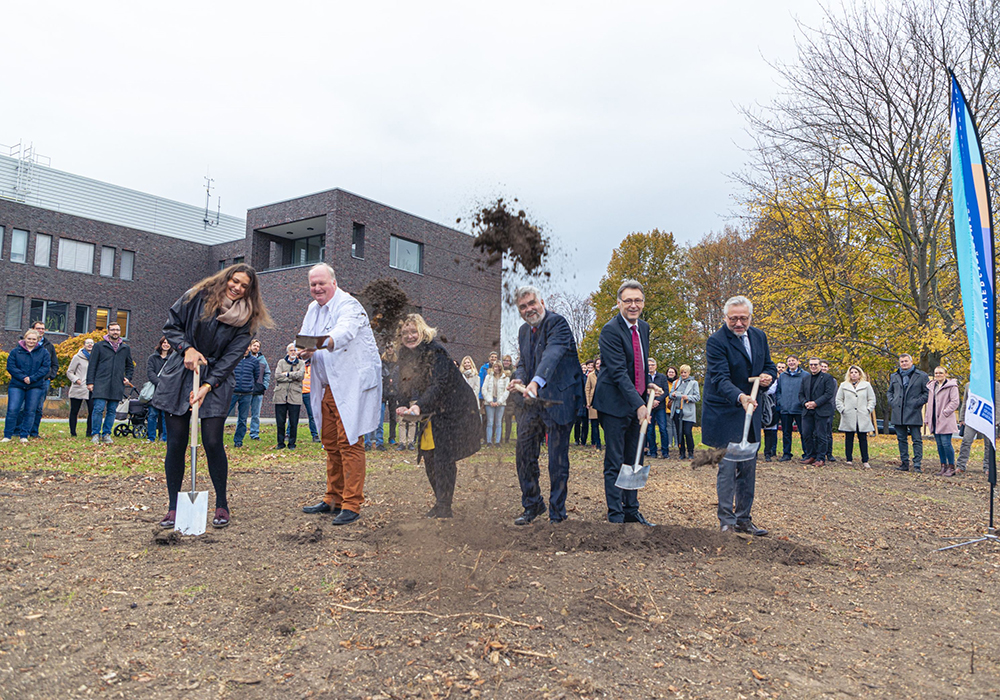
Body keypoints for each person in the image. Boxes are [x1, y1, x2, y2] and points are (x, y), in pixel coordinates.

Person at [150, 263, 272, 529]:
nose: (237, 288)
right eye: (235, 281)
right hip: (181, 372)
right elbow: (172, 326)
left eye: (244, 286)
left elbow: (232, 357)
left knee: (213, 440)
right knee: (176, 442)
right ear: (226, 278)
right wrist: (187, 349)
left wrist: (208, 385)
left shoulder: (248, 317)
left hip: (217, 378)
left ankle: (222, 504)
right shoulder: (197, 296)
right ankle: (173, 507)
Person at [298, 263, 382, 525]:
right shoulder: (314, 308)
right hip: (326, 386)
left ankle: (352, 503)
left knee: (350, 443)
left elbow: (343, 334)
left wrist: (311, 345)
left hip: (351, 384)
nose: (317, 288)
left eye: (321, 283)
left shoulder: (350, 306)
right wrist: (301, 347)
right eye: (313, 284)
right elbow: (304, 338)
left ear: (333, 282)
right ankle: (332, 497)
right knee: (331, 444)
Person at [701, 295, 776, 536]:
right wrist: (741, 397)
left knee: (748, 468)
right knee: (727, 467)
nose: (739, 323)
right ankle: (726, 520)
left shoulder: (759, 336)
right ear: (725, 318)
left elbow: (769, 365)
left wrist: (767, 377)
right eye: (733, 319)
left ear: (750, 318)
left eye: (743, 318)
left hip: (751, 411)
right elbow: (720, 378)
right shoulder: (716, 342)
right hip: (725, 411)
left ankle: (744, 518)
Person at [510, 285, 583, 525]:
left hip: (559, 400)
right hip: (532, 403)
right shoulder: (523, 331)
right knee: (523, 453)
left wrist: (535, 381)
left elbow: (552, 354)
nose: (529, 309)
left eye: (532, 303)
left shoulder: (557, 323)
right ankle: (533, 504)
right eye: (523, 306)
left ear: (541, 301)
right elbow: (524, 361)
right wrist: (519, 377)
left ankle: (557, 512)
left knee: (557, 460)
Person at [395, 314, 481, 517]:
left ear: (423, 331)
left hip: (455, 409)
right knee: (428, 455)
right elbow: (404, 380)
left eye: (413, 331)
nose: (409, 336)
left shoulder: (436, 353)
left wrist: (419, 406)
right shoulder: (406, 355)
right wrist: (402, 403)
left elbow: (439, 384)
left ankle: (444, 506)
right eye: (405, 332)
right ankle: (441, 502)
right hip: (433, 410)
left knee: (443, 456)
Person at [592, 280, 662, 525]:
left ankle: (631, 510)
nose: (633, 305)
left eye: (638, 300)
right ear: (619, 303)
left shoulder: (643, 327)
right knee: (615, 459)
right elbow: (619, 372)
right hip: (613, 404)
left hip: (635, 400)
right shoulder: (610, 330)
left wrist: (647, 386)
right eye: (628, 300)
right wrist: (639, 404)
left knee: (635, 459)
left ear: (643, 303)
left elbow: (638, 365)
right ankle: (615, 514)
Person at [86, 322, 135, 444]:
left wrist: (128, 377)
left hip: (116, 384)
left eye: (117, 330)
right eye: (112, 330)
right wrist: (90, 382)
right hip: (100, 383)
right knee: (98, 409)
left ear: (120, 332)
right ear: (108, 331)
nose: (115, 332)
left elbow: (130, 366)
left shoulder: (125, 348)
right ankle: (95, 434)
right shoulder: (99, 346)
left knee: (112, 410)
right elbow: (92, 365)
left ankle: (106, 434)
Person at [3, 329, 51, 444]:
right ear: (25, 338)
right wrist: (23, 377)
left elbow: (45, 368)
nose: (31, 341)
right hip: (17, 385)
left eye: (34, 339)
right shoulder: (15, 351)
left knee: (30, 410)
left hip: (35, 386)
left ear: (38, 340)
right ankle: (7, 435)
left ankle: (24, 435)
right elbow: (11, 367)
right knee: (13, 410)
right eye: (29, 338)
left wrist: (32, 378)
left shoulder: (44, 352)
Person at [887, 353, 929, 473]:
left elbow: (926, 393)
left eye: (906, 361)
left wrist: (916, 403)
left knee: (916, 439)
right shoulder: (894, 376)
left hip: (914, 411)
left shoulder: (921, 376)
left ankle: (917, 464)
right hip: (898, 412)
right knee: (901, 439)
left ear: (911, 362)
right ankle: (904, 462)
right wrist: (892, 402)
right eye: (902, 362)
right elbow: (890, 391)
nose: (904, 363)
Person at [20, 321, 58, 439]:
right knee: (22, 406)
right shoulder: (23, 344)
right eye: (38, 328)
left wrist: (50, 375)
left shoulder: (49, 346)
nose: (41, 330)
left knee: (38, 407)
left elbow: (54, 363)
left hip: (43, 381)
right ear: (32, 329)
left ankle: (34, 431)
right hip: (25, 380)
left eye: (42, 328)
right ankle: (20, 430)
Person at [835, 365, 876, 469]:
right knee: (849, 438)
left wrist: (868, 409)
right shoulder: (844, 385)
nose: (853, 374)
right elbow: (838, 399)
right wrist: (842, 409)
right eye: (851, 372)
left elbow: (871, 399)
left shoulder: (866, 385)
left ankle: (865, 460)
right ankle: (849, 459)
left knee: (863, 438)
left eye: (855, 372)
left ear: (859, 374)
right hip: (848, 415)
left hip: (862, 415)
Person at [798, 358, 837, 467]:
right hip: (807, 411)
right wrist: (805, 403)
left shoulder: (827, 378)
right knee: (806, 433)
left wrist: (815, 403)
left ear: (820, 365)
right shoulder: (806, 378)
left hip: (821, 410)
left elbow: (828, 394)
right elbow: (800, 394)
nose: (813, 367)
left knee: (821, 435)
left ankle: (820, 458)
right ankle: (811, 455)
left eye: (815, 364)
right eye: (811, 365)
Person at [956, 381, 1000, 475]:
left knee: (989, 444)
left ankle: (988, 467)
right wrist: (962, 418)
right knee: (966, 441)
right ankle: (961, 466)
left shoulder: (995, 385)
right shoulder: (969, 385)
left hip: (988, 419)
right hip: (971, 419)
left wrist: (996, 420)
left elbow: (998, 403)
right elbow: (965, 402)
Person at [925, 367, 960, 477]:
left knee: (946, 443)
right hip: (934, 419)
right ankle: (943, 466)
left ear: (945, 374)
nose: (938, 375)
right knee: (939, 445)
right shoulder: (932, 386)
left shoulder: (952, 386)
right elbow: (930, 403)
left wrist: (945, 412)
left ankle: (951, 466)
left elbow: (955, 402)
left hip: (945, 419)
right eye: (936, 373)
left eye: (940, 373)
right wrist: (927, 417)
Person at [273, 343, 305, 450]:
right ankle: (280, 443)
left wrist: (287, 374)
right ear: (287, 352)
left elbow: (301, 375)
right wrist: (292, 377)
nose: (293, 352)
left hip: (295, 396)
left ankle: (292, 443)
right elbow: (277, 376)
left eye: (295, 350)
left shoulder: (301, 363)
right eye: (291, 350)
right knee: (280, 421)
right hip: (281, 396)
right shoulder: (281, 362)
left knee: (294, 422)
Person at [229, 345, 261, 447]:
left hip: (246, 394)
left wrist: (250, 386)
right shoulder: (234, 359)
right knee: (223, 415)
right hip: (233, 392)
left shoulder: (254, 361)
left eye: (248, 347)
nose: (246, 349)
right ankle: (217, 438)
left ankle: (238, 441)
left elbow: (256, 375)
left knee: (242, 419)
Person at [775, 355, 806, 462]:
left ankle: (806, 454)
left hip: (799, 408)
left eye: (793, 361)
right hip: (785, 408)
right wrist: (781, 402)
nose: (791, 363)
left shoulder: (805, 375)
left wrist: (803, 403)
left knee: (804, 432)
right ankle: (786, 453)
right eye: (789, 361)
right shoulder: (783, 376)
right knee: (786, 433)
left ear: (798, 362)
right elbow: (778, 391)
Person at [670, 364, 700, 460]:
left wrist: (687, 397)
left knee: (687, 432)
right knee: (679, 433)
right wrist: (673, 395)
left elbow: (697, 397)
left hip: (688, 412)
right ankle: (681, 452)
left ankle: (691, 452)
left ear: (689, 373)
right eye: (682, 372)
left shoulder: (693, 383)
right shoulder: (676, 382)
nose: (683, 374)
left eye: (685, 372)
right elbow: (670, 394)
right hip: (677, 411)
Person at [66, 338, 94, 438]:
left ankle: (89, 432)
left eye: (91, 343)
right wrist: (76, 380)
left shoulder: (95, 357)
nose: (90, 345)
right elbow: (69, 372)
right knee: (74, 410)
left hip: (91, 388)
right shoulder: (77, 357)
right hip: (79, 387)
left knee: (92, 410)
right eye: (88, 343)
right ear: (84, 345)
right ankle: (73, 432)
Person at [146, 337, 172, 442]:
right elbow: (150, 372)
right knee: (152, 414)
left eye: (168, 343)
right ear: (160, 344)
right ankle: (151, 437)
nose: (166, 344)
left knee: (165, 416)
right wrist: (159, 383)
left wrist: (166, 384)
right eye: (164, 342)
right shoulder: (152, 358)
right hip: (155, 391)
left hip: (168, 391)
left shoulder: (173, 358)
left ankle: (164, 437)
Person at [645, 358, 670, 458]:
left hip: (660, 406)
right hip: (648, 407)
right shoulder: (644, 378)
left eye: (652, 365)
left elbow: (666, 391)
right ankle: (653, 451)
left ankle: (665, 452)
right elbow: (642, 391)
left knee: (663, 429)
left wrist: (657, 400)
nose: (650, 367)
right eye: (649, 365)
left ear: (655, 366)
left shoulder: (662, 377)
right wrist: (649, 401)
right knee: (650, 430)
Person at [482, 360, 510, 445]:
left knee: (499, 422)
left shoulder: (505, 378)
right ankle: (489, 441)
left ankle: (498, 441)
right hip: (490, 401)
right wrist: (489, 400)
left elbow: (507, 391)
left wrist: (499, 401)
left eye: (498, 367)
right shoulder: (488, 377)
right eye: (495, 367)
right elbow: (484, 389)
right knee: (490, 422)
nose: (496, 369)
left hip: (500, 402)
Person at [248, 339, 270, 441]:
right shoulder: (245, 358)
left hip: (258, 390)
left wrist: (264, 385)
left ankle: (254, 434)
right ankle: (240, 434)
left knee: (256, 415)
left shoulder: (262, 360)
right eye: (254, 345)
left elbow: (267, 373)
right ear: (250, 346)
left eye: (257, 346)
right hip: (246, 390)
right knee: (242, 415)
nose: (256, 347)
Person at [819, 360, 837, 462]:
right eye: (822, 366)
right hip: (817, 409)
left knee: (828, 433)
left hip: (828, 409)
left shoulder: (832, 381)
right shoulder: (814, 379)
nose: (823, 368)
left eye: (825, 366)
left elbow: (833, 395)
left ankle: (829, 453)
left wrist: (832, 408)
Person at [300, 360, 320, 442]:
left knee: (312, 415)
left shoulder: (313, 365)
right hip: (297, 391)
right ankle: (288, 433)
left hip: (309, 392)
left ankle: (315, 435)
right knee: (293, 414)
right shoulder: (298, 364)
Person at [586, 358, 602, 450]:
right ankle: (597, 443)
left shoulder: (606, 374)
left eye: (600, 363)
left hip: (604, 402)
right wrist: (588, 402)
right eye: (597, 363)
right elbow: (587, 389)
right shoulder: (591, 376)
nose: (599, 365)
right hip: (593, 402)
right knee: (594, 424)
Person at [501, 354, 517, 443]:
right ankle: (500, 438)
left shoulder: (514, 372)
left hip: (511, 398)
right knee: (501, 419)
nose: (506, 362)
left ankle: (507, 438)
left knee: (509, 418)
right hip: (501, 396)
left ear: (510, 362)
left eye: (508, 360)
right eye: (504, 360)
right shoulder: (500, 370)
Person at [574, 362, 590, 446]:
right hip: (578, 402)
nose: (583, 369)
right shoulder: (577, 379)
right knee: (577, 422)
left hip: (586, 402)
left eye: (585, 368)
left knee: (585, 423)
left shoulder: (588, 378)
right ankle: (576, 439)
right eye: (582, 368)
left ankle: (584, 440)